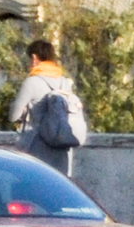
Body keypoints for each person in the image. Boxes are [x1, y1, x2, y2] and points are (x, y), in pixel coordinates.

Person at [9, 38, 86, 176]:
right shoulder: (65, 83)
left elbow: (13, 116)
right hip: (62, 151)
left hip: (36, 150)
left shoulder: (31, 82)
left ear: (34, 58)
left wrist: (25, 112)